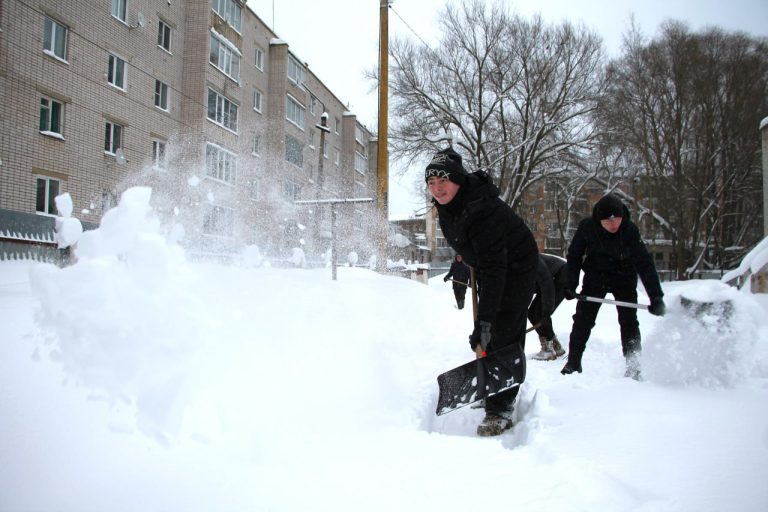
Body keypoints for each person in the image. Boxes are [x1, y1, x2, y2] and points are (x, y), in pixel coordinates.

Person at [426, 147, 538, 436]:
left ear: (458, 181)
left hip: (518, 266)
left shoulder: (482, 209)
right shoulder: (448, 206)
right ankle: (492, 384)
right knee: (490, 328)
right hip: (490, 265)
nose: (437, 189)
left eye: (443, 182)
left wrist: (484, 322)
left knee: (504, 328)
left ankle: (500, 408)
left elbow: (497, 267)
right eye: (432, 183)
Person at [560, 193, 666, 380]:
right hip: (596, 276)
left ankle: (633, 366)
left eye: (617, 219)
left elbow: (644, 263)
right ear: (599, 219)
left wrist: (656, 296)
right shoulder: (587, 227)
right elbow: (574, 255)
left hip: (624, 277)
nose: (613, 224)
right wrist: (570, 283)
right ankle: (573, 362)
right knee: (582, 321)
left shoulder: (629, 230)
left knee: (629, 322)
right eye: (608, 221)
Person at [528, 253, 568, 361]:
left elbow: (547, 287)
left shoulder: (529, 260)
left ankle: (548, 350)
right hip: (554, 278)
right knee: (532, 313)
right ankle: (555, 346)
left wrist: (546, 312)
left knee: (540, 313)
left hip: (561, 276)